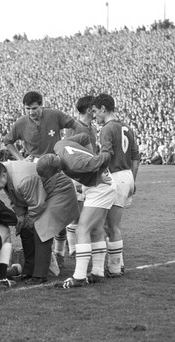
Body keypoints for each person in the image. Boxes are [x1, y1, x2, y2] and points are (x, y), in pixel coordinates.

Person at [37, 135, 116, 288]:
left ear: (57, 170)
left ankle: (79, 277)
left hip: (101, 188)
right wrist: (90, 160)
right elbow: (85, 137)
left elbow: (106, 156)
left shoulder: (76, 164)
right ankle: (97, 272)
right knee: (96, 230)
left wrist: (98, 173)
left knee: (82, 230)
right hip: (97, 188)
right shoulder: (59, 145)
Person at [0, 161, 78, 284]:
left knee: (42, 229)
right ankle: (28, 271)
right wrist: (21, 217)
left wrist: (27, 219)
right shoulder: (3, 173)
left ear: (3, 175)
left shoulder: (23, 180)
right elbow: (15, 199)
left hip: (59, 191)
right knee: (25, 229)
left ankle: (39, 275)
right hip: (41, 194)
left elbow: (37, 205)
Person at [92, 93, 140, 277]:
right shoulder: (126, 127)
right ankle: (118, 264)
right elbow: (136, 157)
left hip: (115, 176)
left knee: (110, 226)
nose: (95, 115)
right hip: (127, 175)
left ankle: (114, 268)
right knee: (111, 225)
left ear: (103, 109)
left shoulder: (107, 129)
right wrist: (133, 181)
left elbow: (105, 156)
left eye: (96, 111)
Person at [64, 95, 99, 258]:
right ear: (88, 110)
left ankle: (77, 245)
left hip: (89, 172)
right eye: (94, 108)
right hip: (77, 173)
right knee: (76, 212)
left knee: (86, 211)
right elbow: (67, 149)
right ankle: (72, 248)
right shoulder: (74, 126)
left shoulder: (91, 127)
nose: (97, 110)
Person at [2, 91, 81, 161]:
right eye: (27, 109)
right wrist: (21, 159)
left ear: (41, 105)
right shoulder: (20, 123)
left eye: (34, 108)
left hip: (55, 159)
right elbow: (8, 141)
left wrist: (71, 143)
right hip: (33, 161)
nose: (31, 112)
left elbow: (76, 126)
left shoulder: (54, 115)